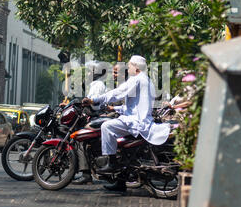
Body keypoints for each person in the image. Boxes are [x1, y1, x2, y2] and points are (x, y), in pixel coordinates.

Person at [82, 55, 170, 191]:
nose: (128, 68)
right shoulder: (145, 80)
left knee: (106, 126)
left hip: (136, 121)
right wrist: (114, 108)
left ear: (136, 67)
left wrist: (94, 100)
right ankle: (121, 182)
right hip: (137, 118)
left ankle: (111, 162)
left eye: (129, 66)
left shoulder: (137, 79)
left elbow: (118, 93)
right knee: (124, 151)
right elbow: (134, 106)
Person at [73, 60, 108, 185]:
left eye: (89, 72)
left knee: (81, 140)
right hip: (96, 117)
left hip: (96, 117)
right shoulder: (95, 84)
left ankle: (86, 174)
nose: (87, 74)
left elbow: (95, 104)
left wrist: (86, 104)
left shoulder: (97, 85)